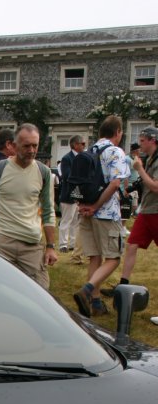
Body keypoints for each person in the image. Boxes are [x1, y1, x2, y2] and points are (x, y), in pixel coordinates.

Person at [0, 123, 57, 289]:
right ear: (14, 146)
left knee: (41, 292)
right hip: (3, 242)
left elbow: (48, 210)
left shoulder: (43, 172)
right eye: (27, 146)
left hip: (32, 245)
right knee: (0, 291)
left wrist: (51, 246)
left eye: (35, 146)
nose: (31, 150)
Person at [73, 115, 128, 317]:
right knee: (113, 258)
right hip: (105, 212)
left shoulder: (90, 150)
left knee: (95, 257)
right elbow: (115, 184)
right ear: (118, 132)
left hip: (86, 212)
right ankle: (86, 290)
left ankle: (94, 303)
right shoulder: (115, 151)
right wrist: (96, 206)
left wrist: (86, 206)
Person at [101, 126, 158, 295]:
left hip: (156, 211)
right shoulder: (149, 159)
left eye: (142, 141)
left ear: (152, 140)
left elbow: (155, 187)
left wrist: (139, 169)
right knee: (131, 245)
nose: (140, 145)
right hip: (147, 210)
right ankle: (123, 285)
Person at [58, 136, 86, 252]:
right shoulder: (67, 158)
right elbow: (67, 176)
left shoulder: (82, 158)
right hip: (68, 194)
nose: (84, 146)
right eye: (82, 143)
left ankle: (72, 243)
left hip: (78, 194)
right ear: (75, 145)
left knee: (75, 221)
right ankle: (63, 244)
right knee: (66, 220)